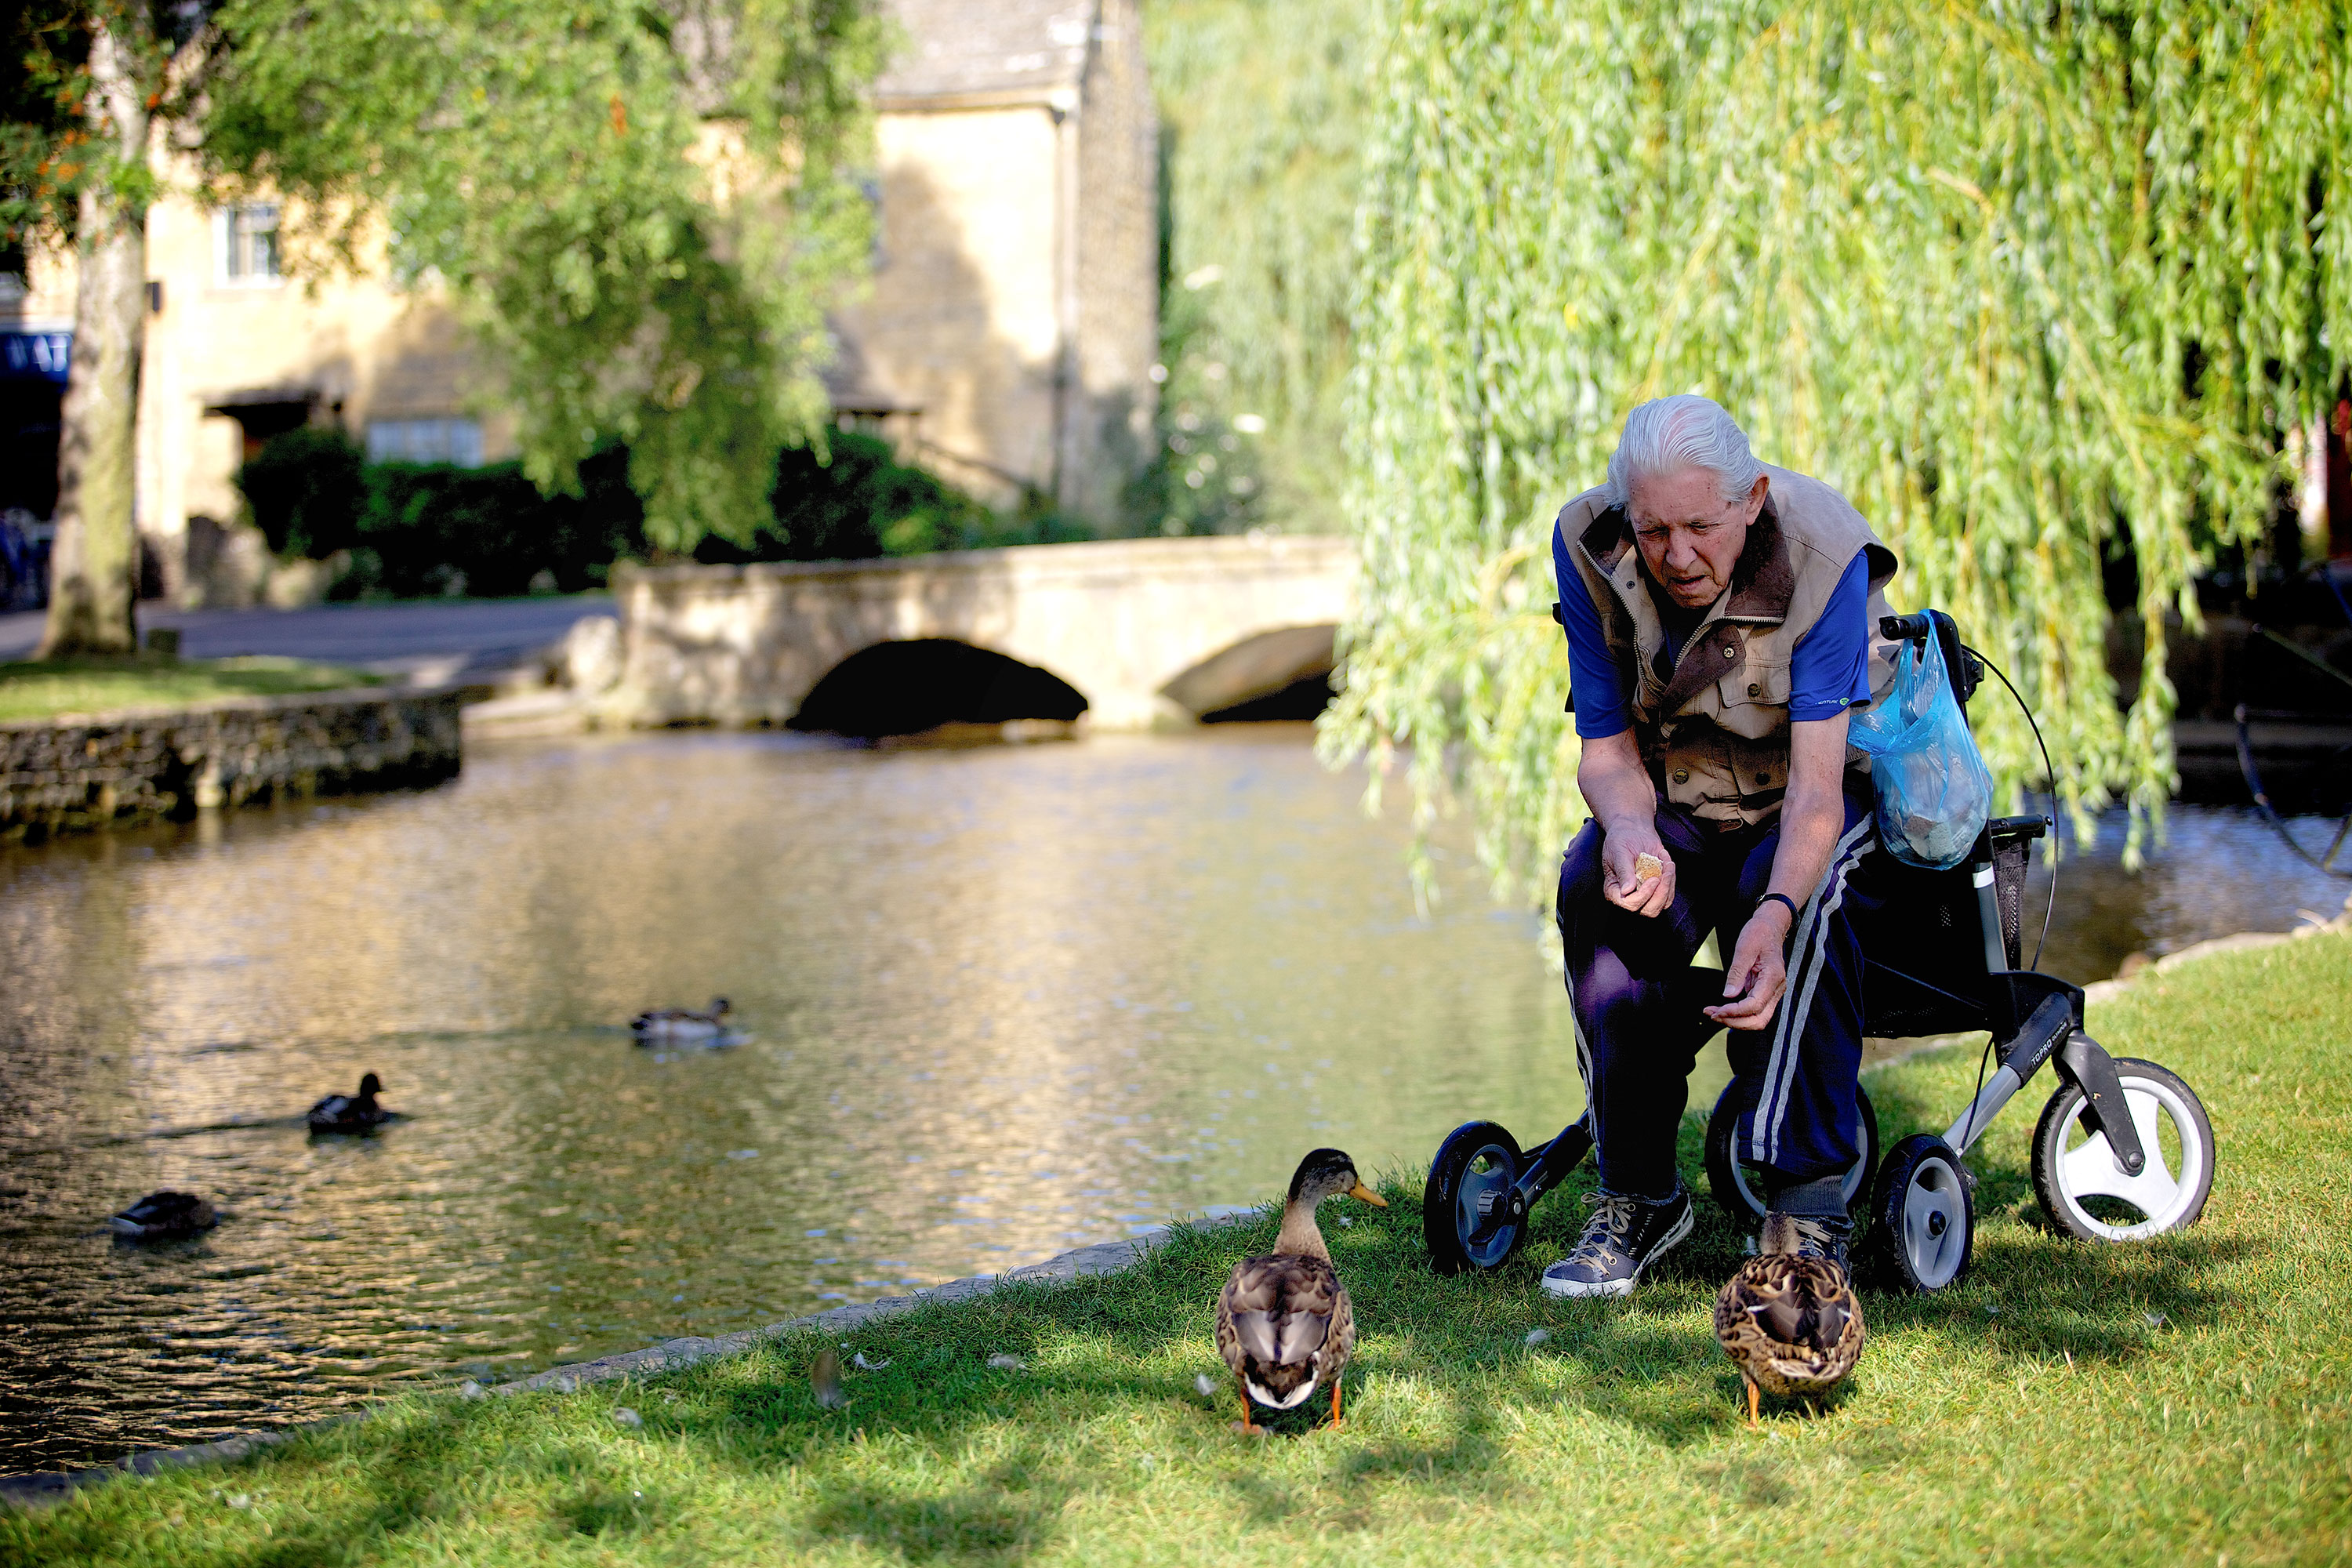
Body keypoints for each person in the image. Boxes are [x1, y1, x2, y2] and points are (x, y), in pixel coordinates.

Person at [1542, 394, 1898, 1298]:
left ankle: (1808, 1207)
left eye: (1701, 527)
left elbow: (1818, 792)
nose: (1677, 555)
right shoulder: (1588, 543)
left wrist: (1771, 913)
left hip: (1807, 796)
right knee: (1592, 886)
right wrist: (1629, 829)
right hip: (1679, 791)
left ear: (1752, 500)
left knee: (1808, 903)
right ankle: (1639, 1195)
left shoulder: (1825, 555)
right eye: (1655, 530)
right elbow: (1606, 752)